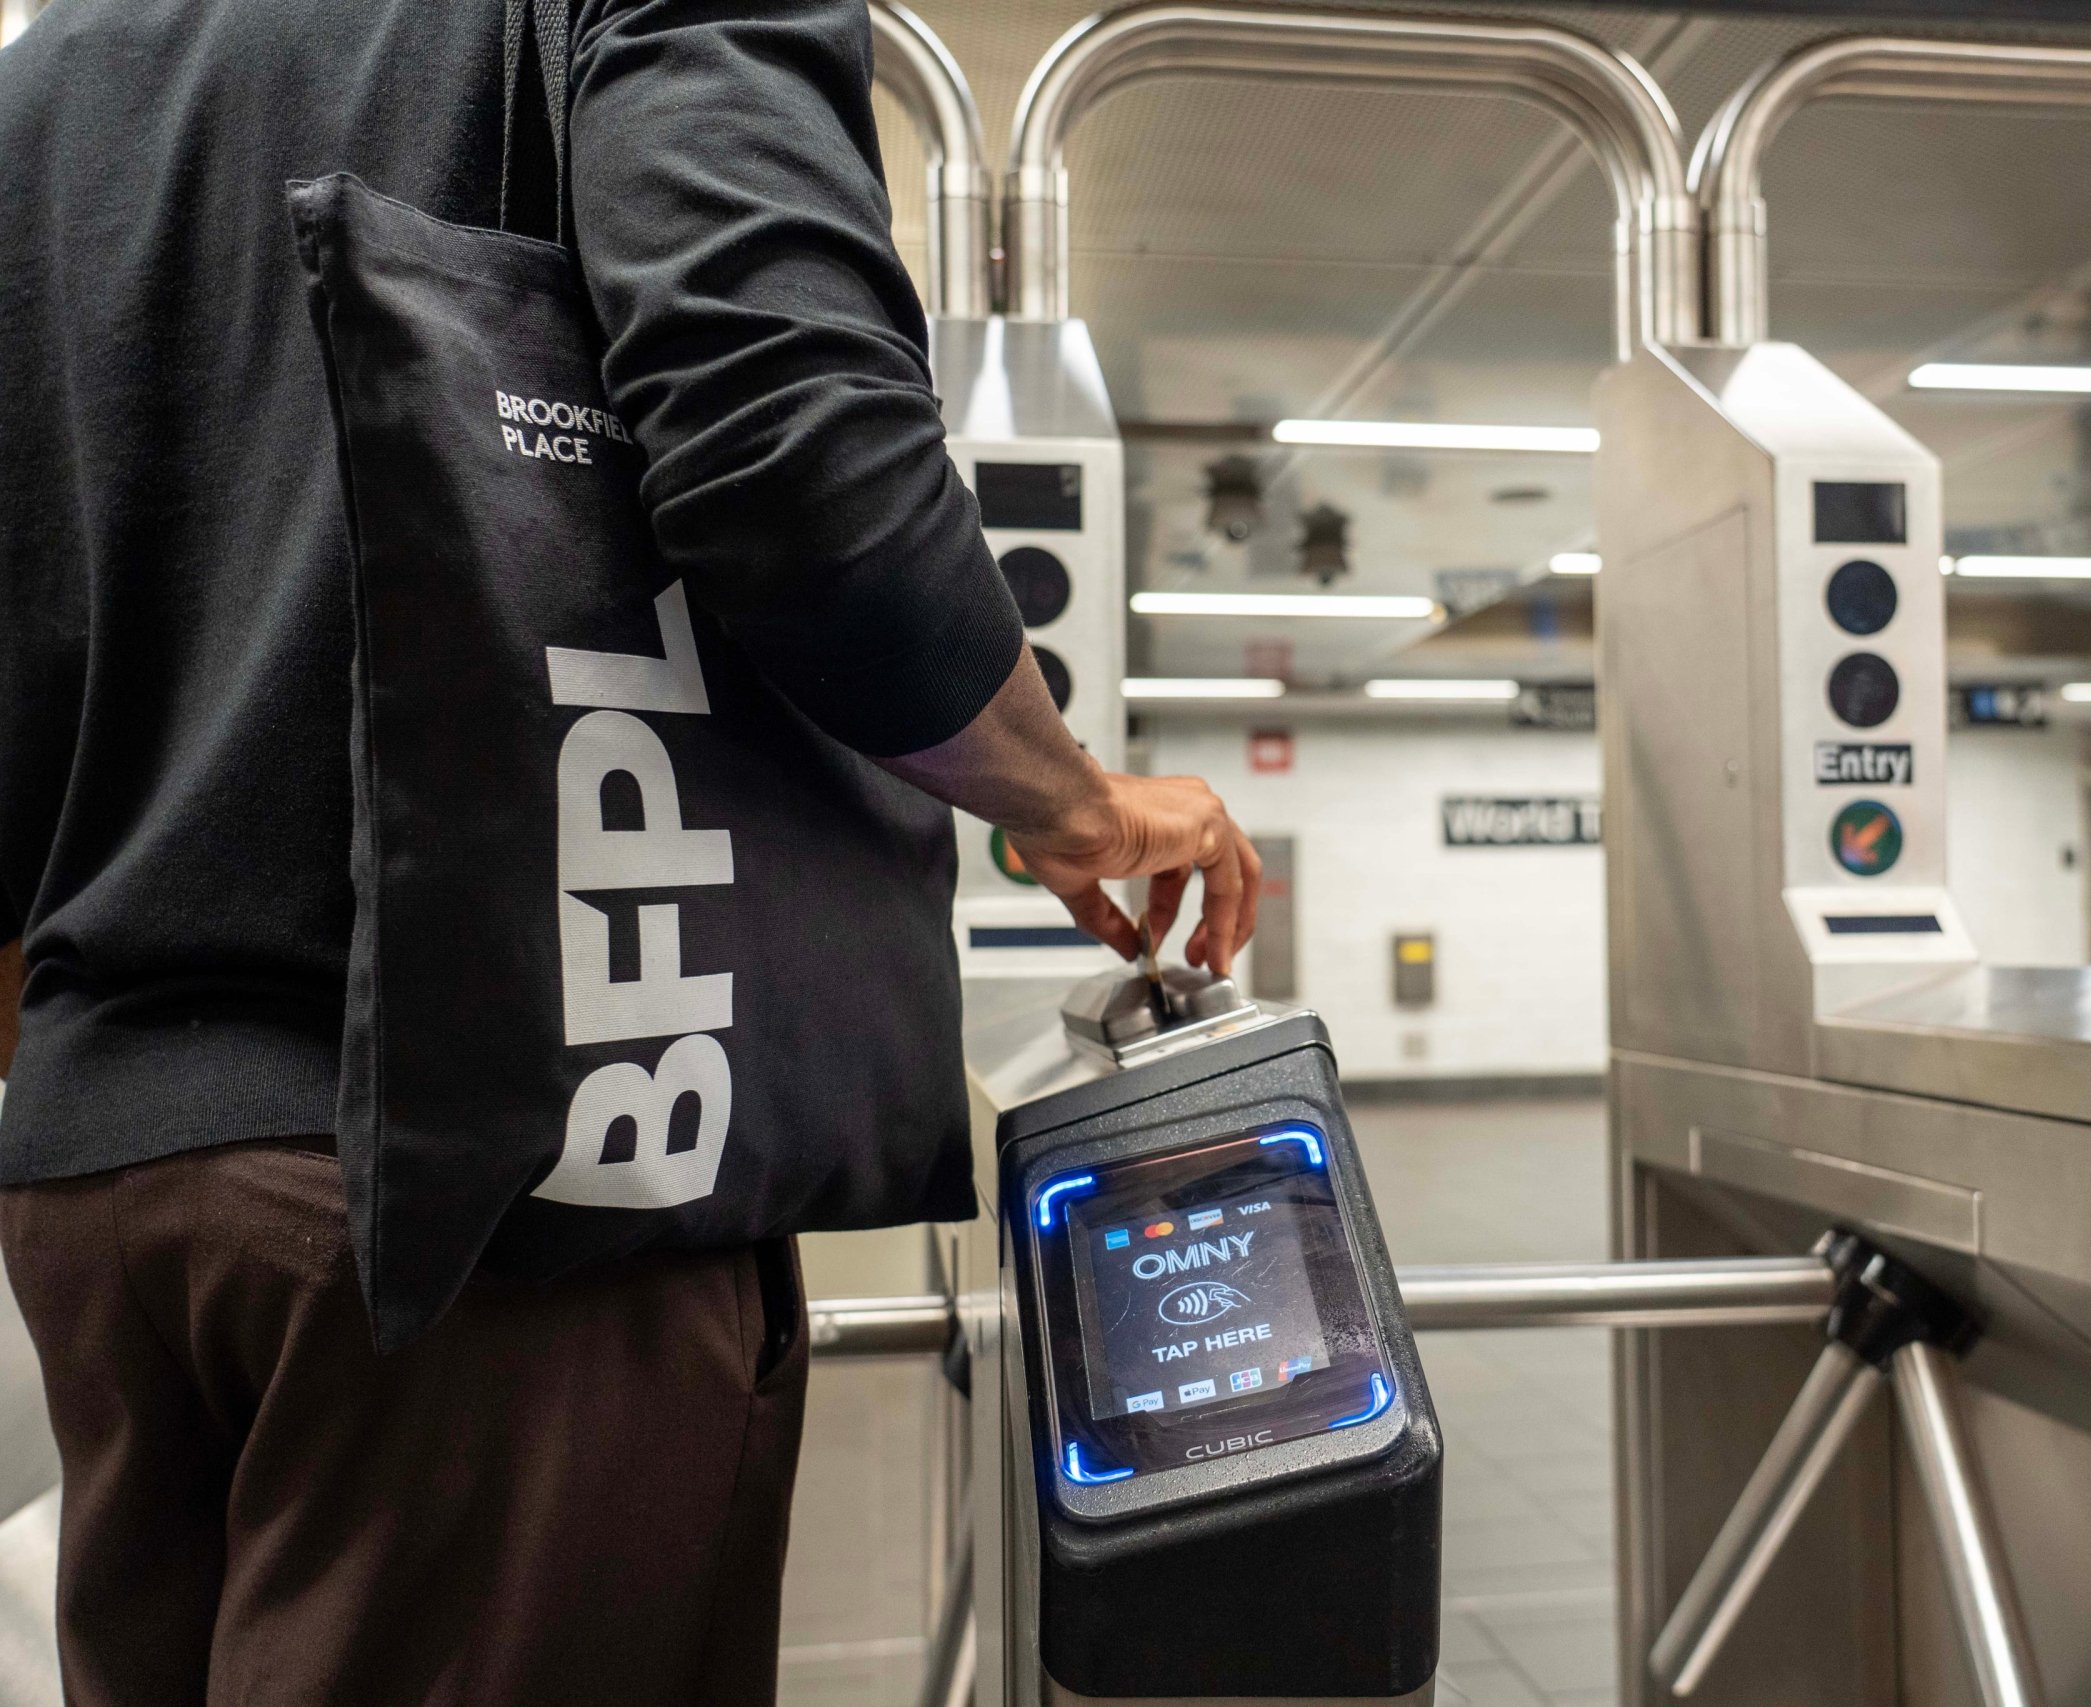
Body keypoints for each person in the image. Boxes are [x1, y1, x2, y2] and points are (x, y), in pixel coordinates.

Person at [0, 0, 1259, 1700]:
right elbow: (792, 441)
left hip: (106, 1192)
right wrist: (1072, 796)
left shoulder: (52, 77)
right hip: (511, 1187)